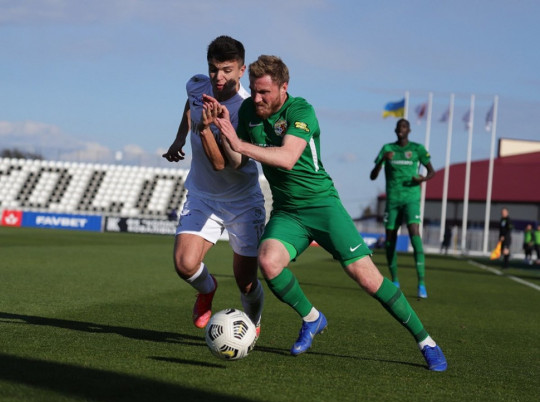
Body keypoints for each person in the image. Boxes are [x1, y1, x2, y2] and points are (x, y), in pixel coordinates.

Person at [212, 55, 447, 371]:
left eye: (264, 92)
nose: (256, 98)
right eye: (253, 91)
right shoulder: (248, 113)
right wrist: (223, 133)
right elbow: (237, 162)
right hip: (287, 211)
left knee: (367, 278)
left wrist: (239, 144)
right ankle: (312, 318)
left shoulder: (301, 110)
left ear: (283, 88)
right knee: (267, 262)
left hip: (323, 206)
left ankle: (426, 341)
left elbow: (287, 158)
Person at [162, 36, 266, 333]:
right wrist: (180, 138)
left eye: (227, 70)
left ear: (242, 70)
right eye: (213, 69)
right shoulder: (197, 85)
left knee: (246, 282)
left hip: (242, 200)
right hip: (203, 195)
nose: (218, 77)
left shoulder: (247, 110)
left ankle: (252, 324)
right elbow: (191, 104)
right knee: (185, 264)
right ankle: (207, 290)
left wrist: (206, 129)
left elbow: (224, 164)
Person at [370, 118, 435, 298]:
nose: (401, 129)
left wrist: (422, 179)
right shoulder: (387, 149)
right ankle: (395, 280)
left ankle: (421, 283)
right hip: (392, 201)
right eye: (399, 127)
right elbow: (373, 176)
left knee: (414, 232)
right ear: (395, 130)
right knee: (390, 238)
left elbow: (432, 172)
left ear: (409, 130)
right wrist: (382, 160)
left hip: (411, 199)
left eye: (404, 127)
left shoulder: (417, 149)